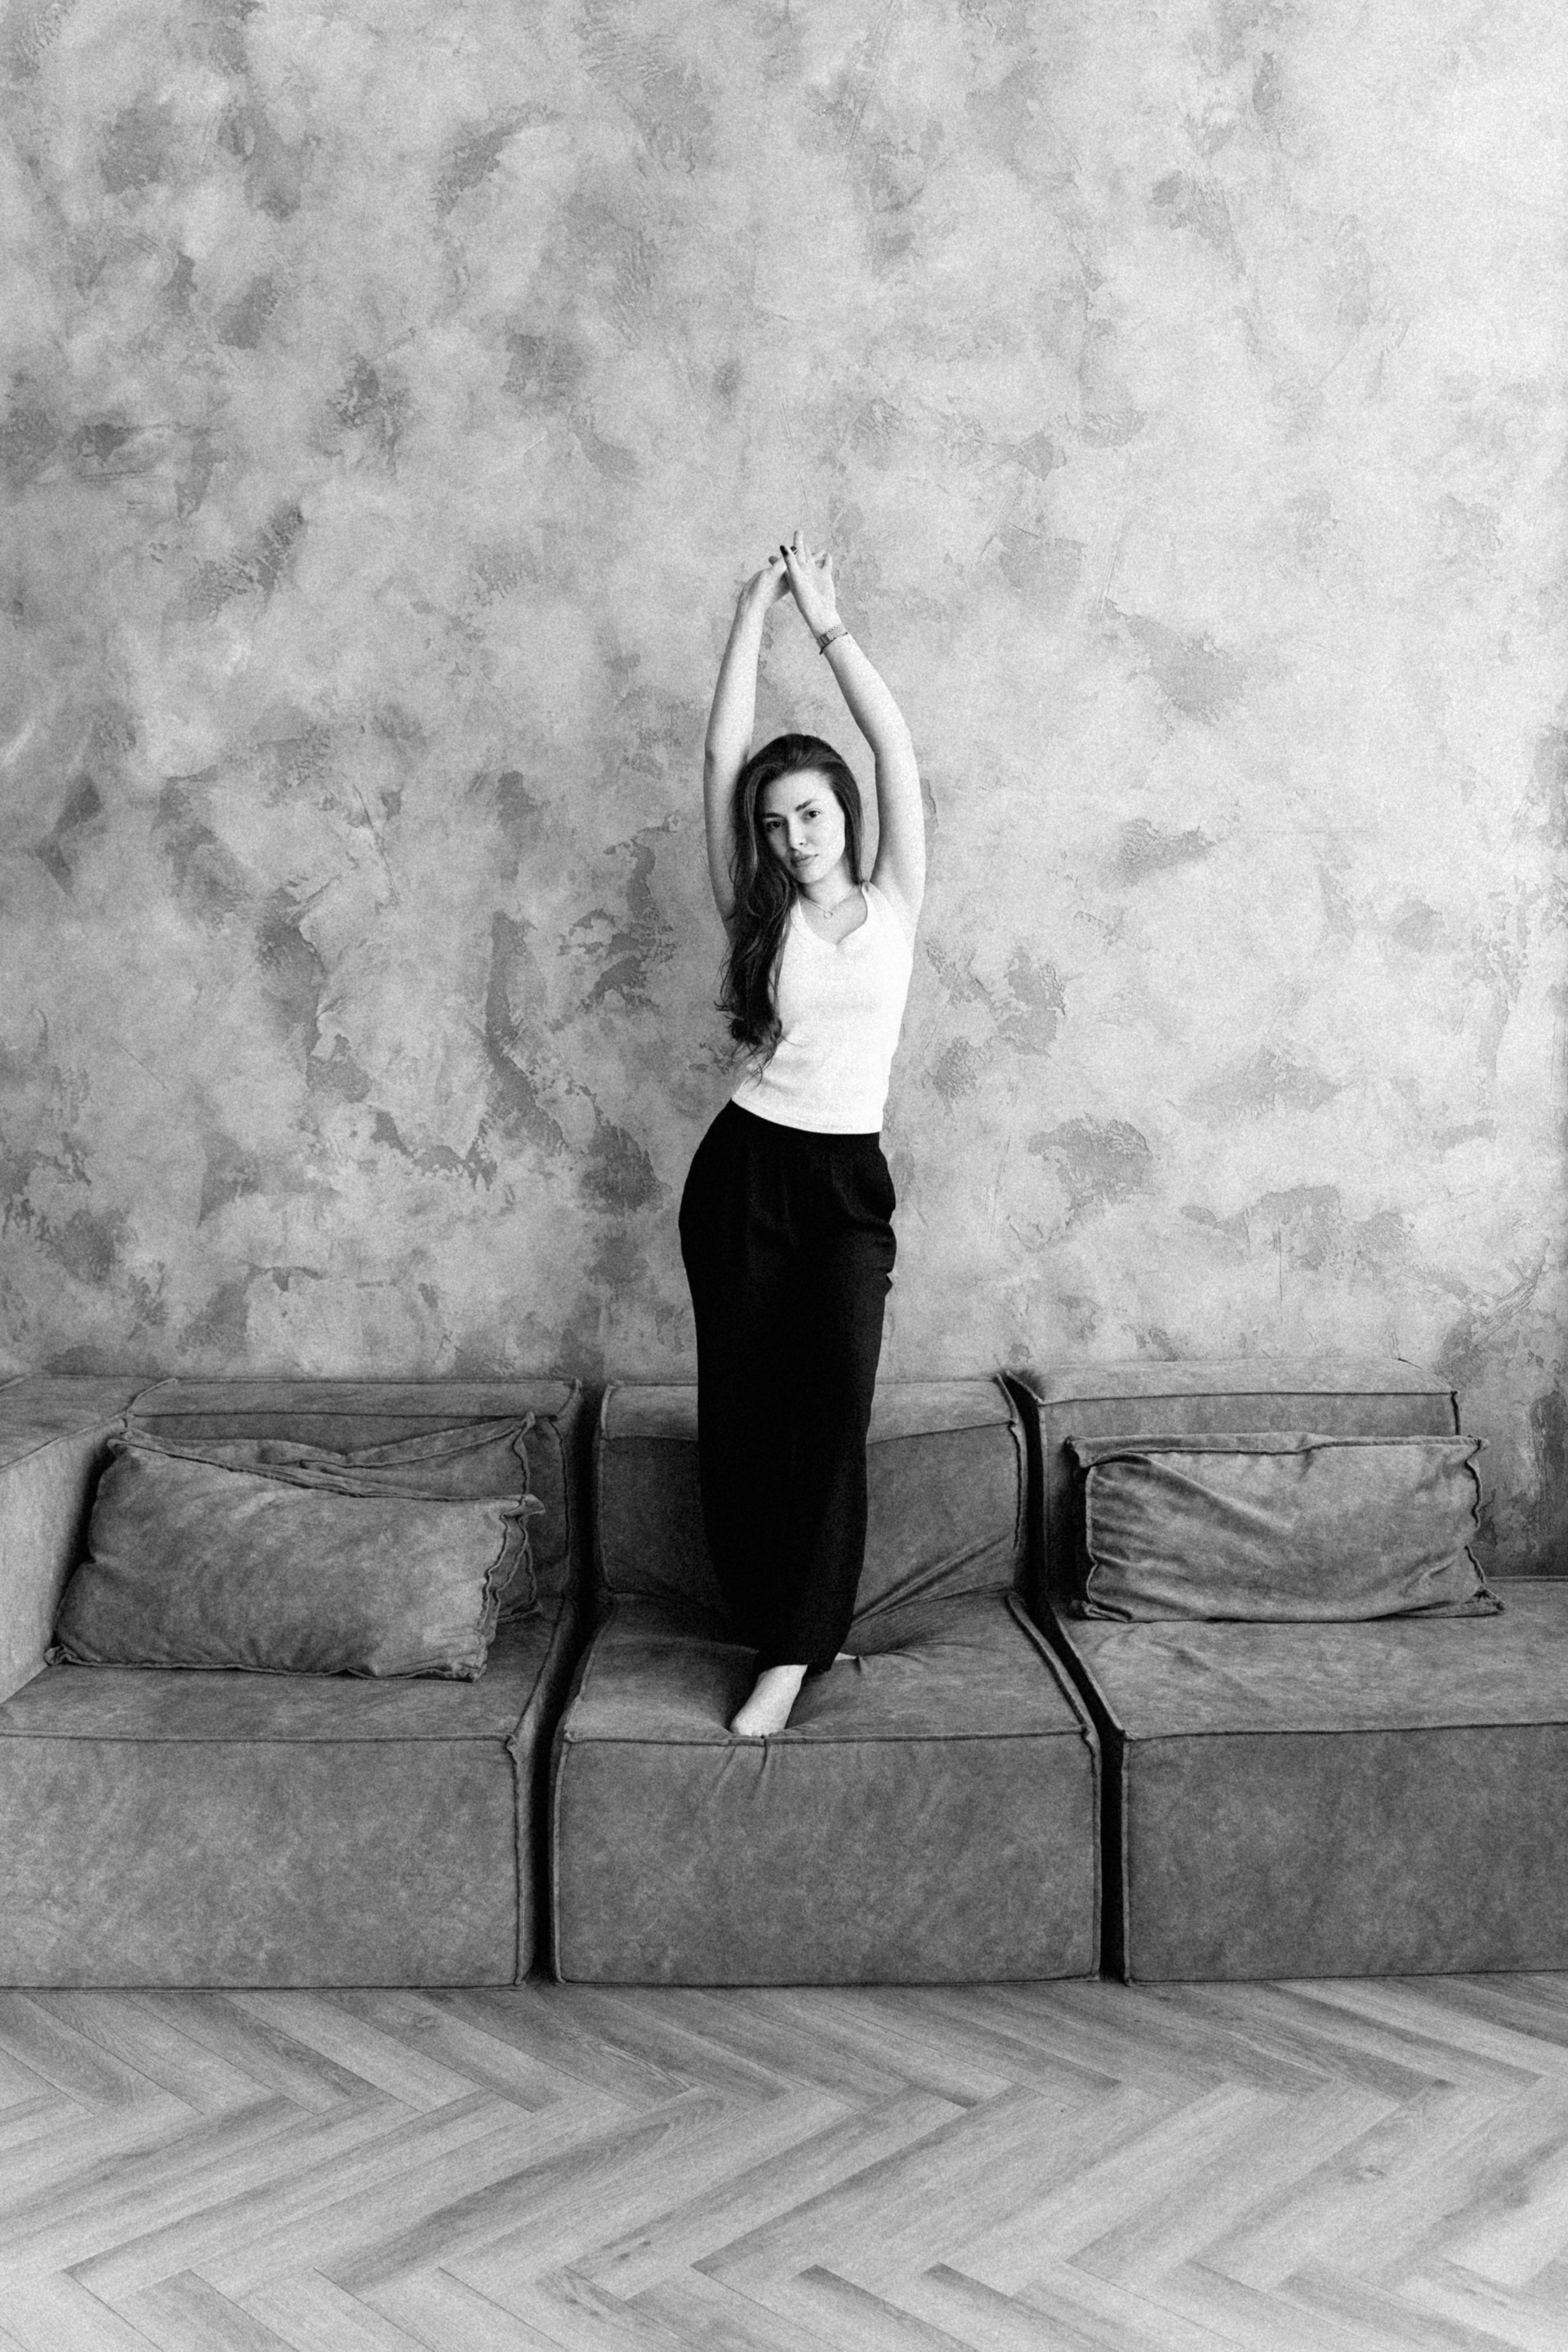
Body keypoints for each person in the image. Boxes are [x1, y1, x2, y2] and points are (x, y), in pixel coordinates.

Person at [679, 528, 926, 1738]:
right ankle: (775, 1621)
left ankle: (792, 1653)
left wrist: (824, 626)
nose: (796, 838)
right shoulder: (758, 912)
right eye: (776, 825)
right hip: (744, 1173)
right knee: (745, 1417)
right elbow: (721, 755)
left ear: (844, 812)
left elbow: (896, 747)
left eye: (813, 814)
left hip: (846, 1185)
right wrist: (747, 616)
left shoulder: (895, 902)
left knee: (833, 1410)